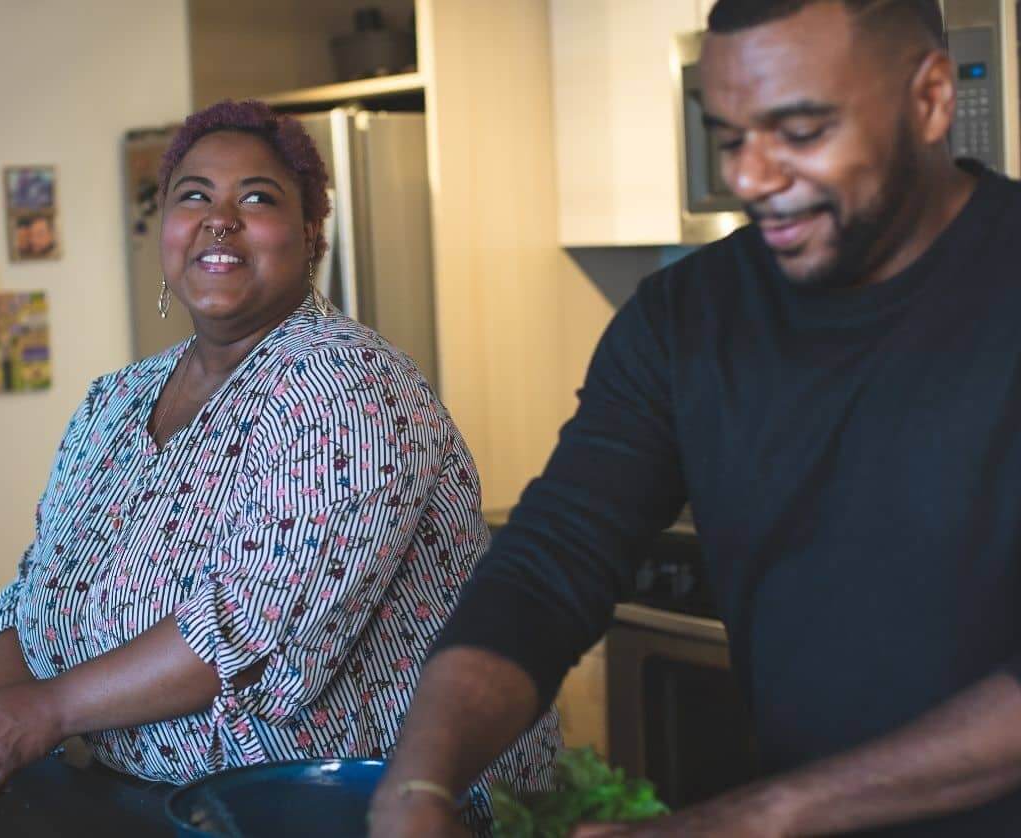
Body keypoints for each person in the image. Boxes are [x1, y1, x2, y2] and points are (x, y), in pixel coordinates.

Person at [370, 1, 1021, 836]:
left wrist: (757, 817)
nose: (750, 178)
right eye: (730, 136)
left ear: (931, 99)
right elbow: (547, 568)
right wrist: (417, 783)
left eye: (799, 130)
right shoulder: (685, 319)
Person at [0, 100, 559, 831]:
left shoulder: (346, 383)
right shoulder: (115, 401)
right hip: (172, 807)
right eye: (193, 196)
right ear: (166, 230)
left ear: (312, 235)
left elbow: (252, 629)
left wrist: (48, 708)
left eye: (256, 198)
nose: (219, 218)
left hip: (373, 813)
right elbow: (37, 586)